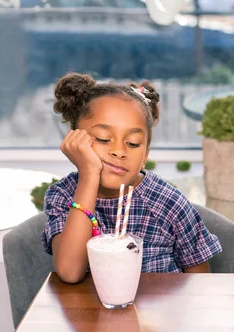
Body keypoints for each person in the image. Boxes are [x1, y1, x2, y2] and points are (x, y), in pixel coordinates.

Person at [42, 72, 222, 283]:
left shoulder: (168, 203)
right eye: (103, 138)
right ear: (75, 141)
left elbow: (201, 285)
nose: (119, 151)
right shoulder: (62, 196)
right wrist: (89, 174)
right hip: (90, 315)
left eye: (133, 143)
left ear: (145, 155)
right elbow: (70, 272)